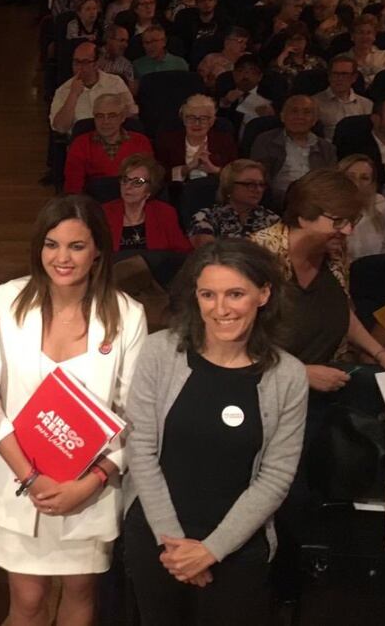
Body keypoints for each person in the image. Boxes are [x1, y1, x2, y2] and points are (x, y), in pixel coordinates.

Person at [124, 239, 308, 626]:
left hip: (237, 548)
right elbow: (140, 449)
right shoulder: (160, 352)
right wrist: (176, 547)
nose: (220, 309)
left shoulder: (288, 375)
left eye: (235, 294)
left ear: (264, 294)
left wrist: (210, 551)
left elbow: (275, 476)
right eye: (208, 294)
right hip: (159, 539)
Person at [0, 195, 146, 626]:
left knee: (79, 593)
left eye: (77, 246)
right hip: (19, 481)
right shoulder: (7, 299)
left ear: (98, 251)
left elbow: (134, 417)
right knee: (27, 599)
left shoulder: (128, 315)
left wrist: (90, 483)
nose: (63, 257)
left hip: (90, 489)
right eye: (52, 244)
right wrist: (29, 475)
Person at [250, 169, 385, 380]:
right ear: (304, 216)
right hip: (268, 387)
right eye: (338, 221)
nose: (348, 231)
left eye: (352, 220)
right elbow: (234, 343)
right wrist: (301, 374)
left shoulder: (334, 250)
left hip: (331, 379)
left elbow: (340, 309)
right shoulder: (258, 256)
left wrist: (381, 354)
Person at [249, 95, 336, 201]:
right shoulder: (265, 140)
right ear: (282, 116)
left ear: (314, 120)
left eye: (307, 112)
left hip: (315, 202)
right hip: (276, 201)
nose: (300, 116)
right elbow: (258, 177)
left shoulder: (327, 148)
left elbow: (330, 183)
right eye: (294, 111)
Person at [63, 93, 154, 194]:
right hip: (94, 204)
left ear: (122, 117)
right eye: (100, 116)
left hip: (133, 199)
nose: (105, 122)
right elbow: (73, 187)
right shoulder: (80, 144)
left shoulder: (140, 142)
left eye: (112, 116)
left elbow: (147, 181)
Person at [102, 154, 190, 253]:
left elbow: (183, 252)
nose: (128, 186)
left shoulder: (165, 213)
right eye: (125, 180)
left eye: (137, 182)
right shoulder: (104, 213)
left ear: (149, 190)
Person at [49, 41, 138, 135]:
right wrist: (73, 95)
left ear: (97, 63)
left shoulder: (115, 83)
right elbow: (60, 128)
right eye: (76, 62)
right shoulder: (63, 90)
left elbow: (132, 114)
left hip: (114, 140)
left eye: (85, 62)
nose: (79, 67)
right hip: (81, 143)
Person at [188, 160, 280, 248]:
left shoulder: (272, 220)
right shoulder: (207, 217)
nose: (258, 190)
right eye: (250, 184)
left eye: (261, 184)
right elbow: (208, 254)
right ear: (229, 186)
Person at [155, 95, 237, 184]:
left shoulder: (225, 141)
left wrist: (214, 170)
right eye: (191, 118)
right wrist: (187, 168)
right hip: (176, 193)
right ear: (183, 120)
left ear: (212, 121)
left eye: (203, 118)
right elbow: (158, 175)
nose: (197, 123)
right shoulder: (168, 141)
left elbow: (235, 175)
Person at [338, 154, 385, 260]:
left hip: (374, 272)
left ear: (371, 183)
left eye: (364, 178)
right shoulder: (326, 207)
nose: (356, 183)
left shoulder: (380, 203)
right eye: (351, 177)